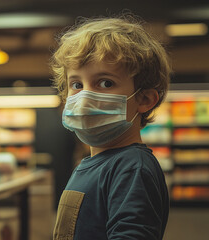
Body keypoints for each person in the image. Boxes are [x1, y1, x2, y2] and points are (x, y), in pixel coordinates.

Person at [51, 15, 171, 240]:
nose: (85, 98)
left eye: (105, 83)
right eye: (76, 85)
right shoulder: (91, 164)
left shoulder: (132, 169)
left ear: (144, 99)